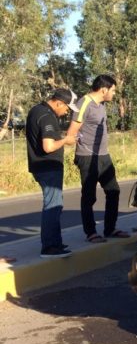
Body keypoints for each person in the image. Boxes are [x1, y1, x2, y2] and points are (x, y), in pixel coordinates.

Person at [67, 75, 129, 243]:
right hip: (87, 157)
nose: (114, 94)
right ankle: (91, 232)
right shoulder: (84, 103)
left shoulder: (101, 104)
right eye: (113, 90)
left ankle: (110, 228)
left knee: (113, 191)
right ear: (103, 90)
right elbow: (71, 133)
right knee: (89, 196)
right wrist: (79, 146)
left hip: (103, 156)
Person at [26, 89, 78, 258]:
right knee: (53, 205)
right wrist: (66, 140)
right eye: (67, 108)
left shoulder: (36, 110)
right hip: (48, 167)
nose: (67, 112)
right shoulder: (47, 116)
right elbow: (48, 146)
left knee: (55, 204)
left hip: (40, 165)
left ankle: (55, 242)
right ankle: (49, 247)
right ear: (59, 102)